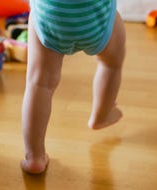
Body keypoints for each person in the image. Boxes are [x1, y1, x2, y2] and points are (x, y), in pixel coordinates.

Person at [21, 0, 126, 174]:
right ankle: (102, 115)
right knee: (111, 65)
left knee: (40, 83)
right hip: (96, 16)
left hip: (51, 15)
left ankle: (34, 157)